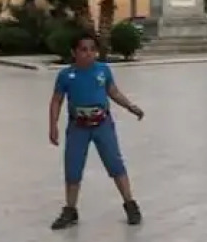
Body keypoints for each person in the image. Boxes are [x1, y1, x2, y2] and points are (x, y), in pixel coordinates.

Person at [48, 31, 145, 230]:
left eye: (92, 49)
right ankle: (70, 209)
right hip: (78, 127)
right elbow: (56, 100)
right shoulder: (66, 75)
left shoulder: (103, 70)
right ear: (74, 52)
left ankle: (130, 204)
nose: (88, 54)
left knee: (115, 163)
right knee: (73, 167)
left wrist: (130, 106)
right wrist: (53, 125)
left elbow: (113, 91)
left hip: (102, 125)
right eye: (83, 50)